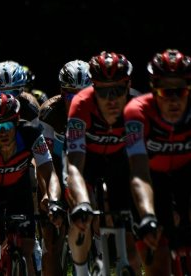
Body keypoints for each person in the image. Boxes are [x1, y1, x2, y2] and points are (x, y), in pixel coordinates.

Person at [0, 92, 63, 276]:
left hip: (19, 189)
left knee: (26, 252)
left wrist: (54, 200)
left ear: (17, 121)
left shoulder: (32, 135)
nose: (2, 131)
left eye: (8, 124)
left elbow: (50, 175)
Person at [65, 51, 141, 275]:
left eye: (118, 89)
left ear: (129, 85)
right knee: (82, 219)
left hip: (119, 162)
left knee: (130, 234)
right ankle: (80, 270)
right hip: (87, 161)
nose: (110, 98)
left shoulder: (137, 107)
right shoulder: (80, 104)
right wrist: (82, 203)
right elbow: (75, 165)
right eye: (102, 90)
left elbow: (141, 162)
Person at [124, 48, 191, 276]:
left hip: (186, 176)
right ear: (153, 89)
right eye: (165, 91)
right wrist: (148, 216)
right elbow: (139, 171)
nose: (173, 99)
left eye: (180, 91)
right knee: (158, 266)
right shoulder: (136, 112)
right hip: (152, 181)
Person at [38, 59, 92, 275]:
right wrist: (48, 196)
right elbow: (44, 161)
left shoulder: (97, 109)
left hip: (87, 165)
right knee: (51, 241)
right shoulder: (50, 111)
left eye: (84, 94)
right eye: (71, 95)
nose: (78, 100)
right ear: (62, 92)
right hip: (56, 166)